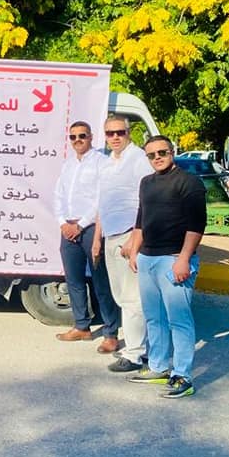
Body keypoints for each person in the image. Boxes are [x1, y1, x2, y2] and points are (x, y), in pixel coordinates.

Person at [127, 135, 206, 398]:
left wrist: (184, 258)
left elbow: (197, 225)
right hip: (147, 258)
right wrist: (135, 251)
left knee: (178, 321)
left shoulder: (189, 182)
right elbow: (141, 220)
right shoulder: (146, 182)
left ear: (172, 152)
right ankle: (158, 367)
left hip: (173, 259)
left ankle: (183, 376)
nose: (157, 158)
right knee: (154, 318)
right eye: (151, 155)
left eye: (162, 152)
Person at [91, 116, 155, 373]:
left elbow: (148, 200)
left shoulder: (138, 159)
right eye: (110, 133)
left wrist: (135, 238)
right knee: (121, 296)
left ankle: (135, 353)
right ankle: (141, 347)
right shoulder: (108, 163)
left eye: (120, 132)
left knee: (132, 298)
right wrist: (97, 239)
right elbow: (103, 204)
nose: (115, 137)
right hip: (111, 235)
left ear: (129, 132)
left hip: (129, 235)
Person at [53, 121, 120, 349]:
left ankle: (111, 333)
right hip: (68, 228)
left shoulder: (101, 162)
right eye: (73, 137)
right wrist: (63, 223)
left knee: (101, 282)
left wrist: (80, 225)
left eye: (82, 136)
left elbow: (102, 199)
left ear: (91, 137)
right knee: (74, 280)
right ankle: (82, 326)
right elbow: (58, 195)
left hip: (91, 228)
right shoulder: (68, 164)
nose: (77, 140)